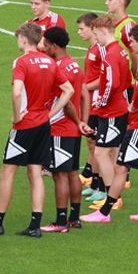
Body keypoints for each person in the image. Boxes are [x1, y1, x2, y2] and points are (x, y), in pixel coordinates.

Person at [0, 22, 73, 238]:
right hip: (43, 124)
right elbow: (68, 90)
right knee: (35, 172)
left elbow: (17, 93)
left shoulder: (21, 62)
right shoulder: (50, 61)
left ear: (24, 40)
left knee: (7, 170)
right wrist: (51, 113)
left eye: (18, 38)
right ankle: (35, 225)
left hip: (25, 125)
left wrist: (17, 116)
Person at [82, 23, 138, 224]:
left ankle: (104, 212)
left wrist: (135, 106)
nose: (130, 44)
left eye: (132, 41)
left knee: (121, 167)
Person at [83, 16, 133, 212]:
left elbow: (110, 84)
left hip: (112, 110)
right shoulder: (120, 51)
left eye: (96, 34)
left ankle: (113, 197)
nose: (96, 39)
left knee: (101, 152)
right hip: (117, 107)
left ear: (104, 31)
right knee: (108, 153)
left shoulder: (111, 54)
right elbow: (126, 79)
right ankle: (110, 195)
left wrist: (100, 102)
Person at [38, 27, 85, 233]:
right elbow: (82, 96)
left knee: (59, 175)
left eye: (46, 44)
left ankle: (61, 221)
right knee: (73, 172)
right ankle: (74, 218)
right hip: (72, 130)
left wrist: (77, 121)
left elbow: (66, 103)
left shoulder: (59, 69)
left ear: (54, 46)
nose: (43, 47)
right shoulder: (74, 64)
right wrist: (81, 122)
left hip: (60, 127)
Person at [76, 13, 105, 198]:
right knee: (91, 143)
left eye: (81, 28)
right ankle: (94, 183)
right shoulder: (91, 49)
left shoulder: (100, 50)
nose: (79, 32)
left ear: (92, 28)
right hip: (90, 101)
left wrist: (85, 87)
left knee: (99, 146)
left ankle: (101, 187)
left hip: (98, 102)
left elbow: (105, 77)